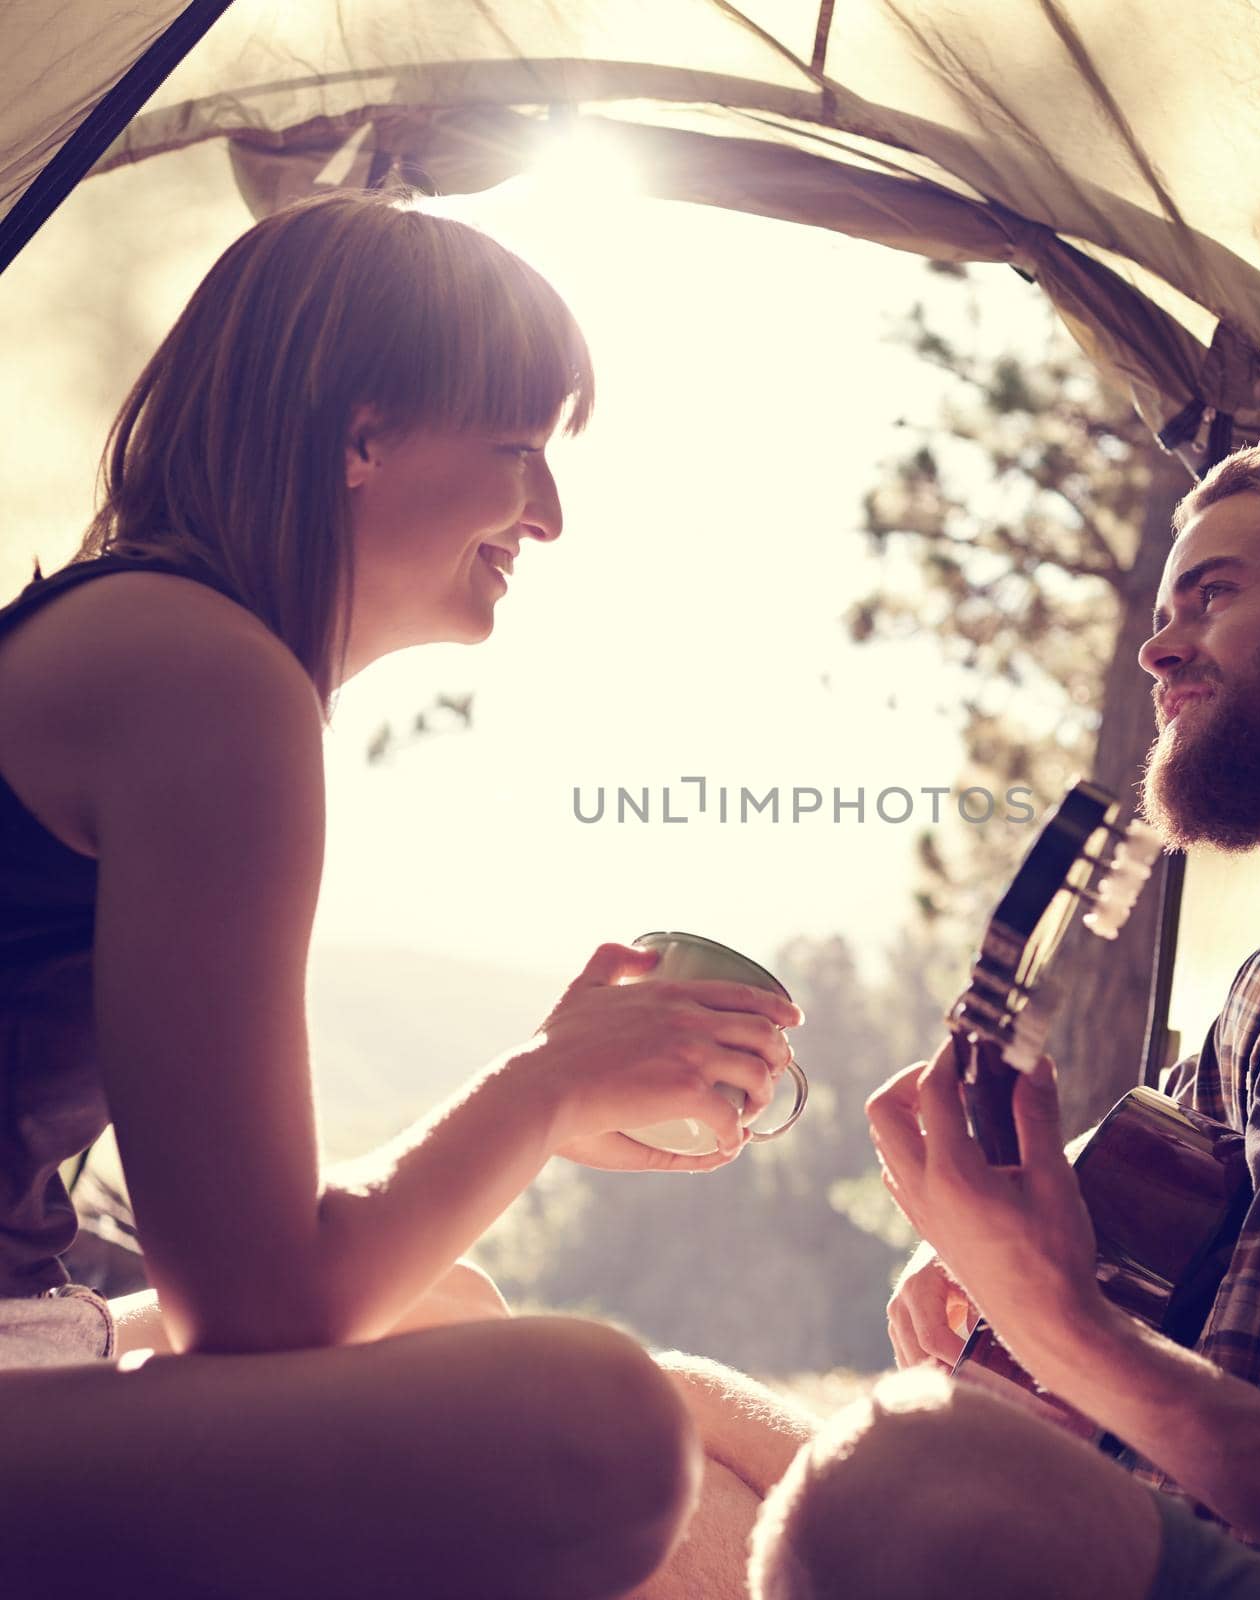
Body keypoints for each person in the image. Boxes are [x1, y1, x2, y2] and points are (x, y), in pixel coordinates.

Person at [0, 189, 812, 1599]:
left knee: (454, 1304)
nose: (548, 515)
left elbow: (241, 1254)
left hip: (30, 1326)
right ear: (359, 436)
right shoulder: (205, 676)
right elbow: (251, 1313)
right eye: (519, 450)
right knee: (597, 1427)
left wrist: (539, 1099)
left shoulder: (143, 633)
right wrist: (544, 1087)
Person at [747, 446, 1260, 1598]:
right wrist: (991, 1259)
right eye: (1159, 610)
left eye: (1214, 593)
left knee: (883, 1483)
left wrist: (1061, 1329)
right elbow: (1120, 1270)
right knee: (677, 1416)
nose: (1156, 650)